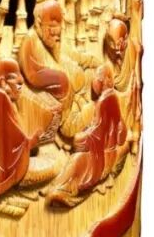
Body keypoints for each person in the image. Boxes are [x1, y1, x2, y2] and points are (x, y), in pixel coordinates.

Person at [45, 63, 128, 207]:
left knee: (78, 158)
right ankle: (61, 187)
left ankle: (65, 189)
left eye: (98, 78)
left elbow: (102, 130)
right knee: (76, 157)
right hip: (100, 145)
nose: (96, 82)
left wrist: (85, 137)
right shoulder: (105, 99)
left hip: (102, 151)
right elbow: (99, 126)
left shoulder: (106, 100)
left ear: (106, 80)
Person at [0, 61, 60, 200]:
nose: (20, 89)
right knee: (57, 163)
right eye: (18, 85)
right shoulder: (0, 98)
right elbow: (16, 144)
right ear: (3, 82)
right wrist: (34, 140)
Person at [17, 0, 86, 134]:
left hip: (62, 90)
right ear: (38, 23)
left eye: (59, 26)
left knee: (79, 75)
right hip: (42, 90)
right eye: (52, 26)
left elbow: (67, 56)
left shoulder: (55, 41)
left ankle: (77, 111)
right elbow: (32, 74)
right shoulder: (30, 40)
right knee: (65, 80)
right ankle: (69, 122)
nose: (57, 32)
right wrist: (62, 79)